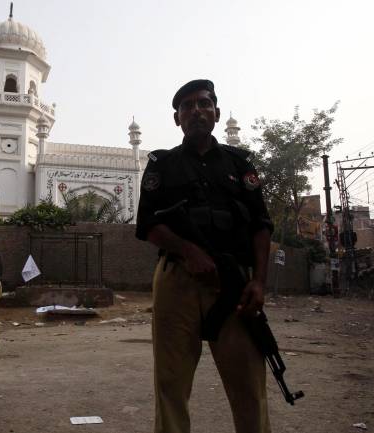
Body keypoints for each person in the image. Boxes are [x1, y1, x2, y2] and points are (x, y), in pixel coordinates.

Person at [135, 79, 274, 433]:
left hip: (234, 287)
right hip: (178, 280)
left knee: (249, 384)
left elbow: (261, 226)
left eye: (203, 103)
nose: (196, 111)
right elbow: (148, 225)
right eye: (187, 107)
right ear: (177, 118)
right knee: (171, 384)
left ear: (217, 113)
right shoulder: (161, 165)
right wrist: (187, 249)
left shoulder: (240, 164)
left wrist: (259, 282)